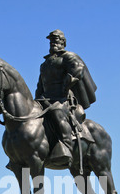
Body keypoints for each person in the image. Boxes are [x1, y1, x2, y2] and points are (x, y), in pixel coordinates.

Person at [35, 30, 97, 167]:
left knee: (57, 112)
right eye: (51, 40)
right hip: (44, 99)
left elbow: (78, 68)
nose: (53, 42)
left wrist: (68, 82)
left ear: (63, 42)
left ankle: (66, 148)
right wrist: (36, 98)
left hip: (62, 99)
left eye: (56, 40)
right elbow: (40, 84)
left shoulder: (68, 57)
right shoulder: (44, 64)